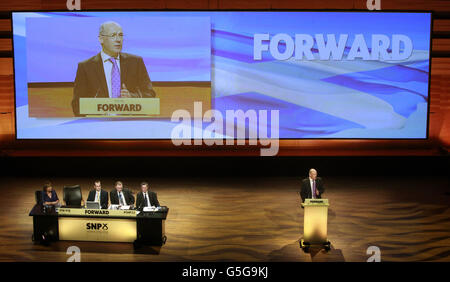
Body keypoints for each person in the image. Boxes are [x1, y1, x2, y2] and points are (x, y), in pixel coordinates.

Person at [71, 21, 156, 116]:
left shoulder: (135, 62)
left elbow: (150, 96)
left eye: (120, 35)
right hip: (99, 125)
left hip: (130, 123)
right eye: (113, 35)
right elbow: (77, 105)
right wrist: (99, 108)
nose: (118, 40)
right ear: (101, 39)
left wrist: (132, 97)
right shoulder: (86, 67)